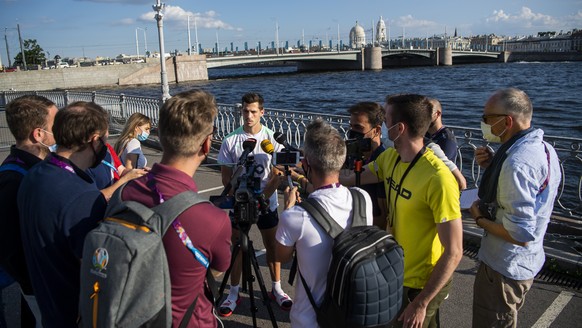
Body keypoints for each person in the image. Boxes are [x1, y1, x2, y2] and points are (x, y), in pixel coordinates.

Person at [340, 94, 463, 328]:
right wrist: (318, 170)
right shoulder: (391, 158)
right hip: (398, 271)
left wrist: (422, 302)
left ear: (400, 128)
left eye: (386, 120)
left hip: (423, 282)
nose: (383, 126)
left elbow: (454, 251)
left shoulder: (438, 179)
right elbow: (354, 177)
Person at [121, 90, 232, 327]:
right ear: (206, 144)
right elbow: (217, 270)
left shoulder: (123, 193)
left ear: (161, 137)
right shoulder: (212, 219)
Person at [470, 88, 561, 328]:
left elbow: (518, 234)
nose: (483, 123)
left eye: (487, 118)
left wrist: (478, 219)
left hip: (503, 267)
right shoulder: (543, 149)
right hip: (527, 262)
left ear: (506, 121)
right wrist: (493, 165)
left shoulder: (516, 163)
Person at [17, 101, 109, 328]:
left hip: (48, 305)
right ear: (94, 139)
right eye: (105, 139)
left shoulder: (33, 174)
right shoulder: (83, 196)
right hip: (75, 314)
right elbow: (97, 271)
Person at [276, 118, 374, 327]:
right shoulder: (362, 198)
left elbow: (280, 256)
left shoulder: (295, 217)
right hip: (353, 313)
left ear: (306, 165)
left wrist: (288, 208)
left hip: (310, 319)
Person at [217, 92, 293, 316]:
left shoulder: (271, 139)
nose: (248, 116)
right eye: (244, 111)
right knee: (237, 247)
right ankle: (233, 292)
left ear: (262, 112)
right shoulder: (231, 140)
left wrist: (262, 197)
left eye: (253, 112)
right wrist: (240, 195)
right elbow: (225, 178)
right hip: (240, 203)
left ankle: (277, 288)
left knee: (272, 245)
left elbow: (277, 174)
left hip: (266, 203)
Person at [0, 95, 58, 327]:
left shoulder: (39, 167)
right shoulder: (13, 178)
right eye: (56, 125)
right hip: (37, 289)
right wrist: (35, 286)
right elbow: (10, 248)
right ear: (39, 135)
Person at [346, 101, 387, 229]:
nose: (353, 133)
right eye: (351, 127)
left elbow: (383, 217)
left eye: (358, 128)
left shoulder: (382, 160)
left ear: (376, 130)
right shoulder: (355, 154)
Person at [425, 98, 458, 163]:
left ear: (437, 114)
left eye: (427, 113)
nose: (424, 117)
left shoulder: (447, 139)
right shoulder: (424, 134)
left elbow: (442, 165)